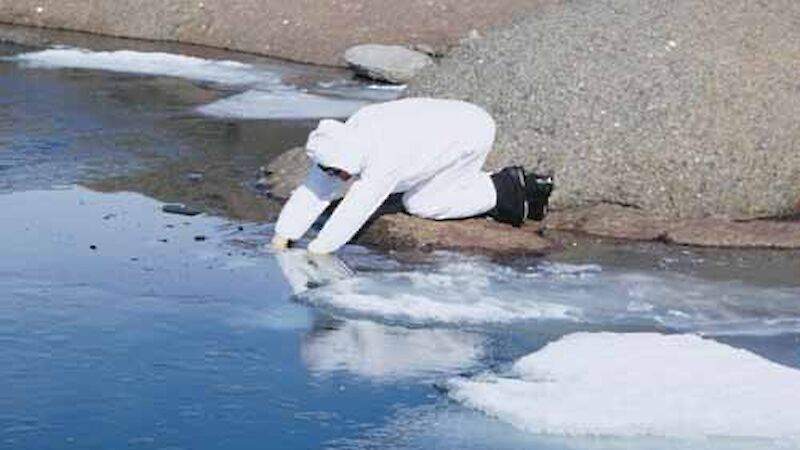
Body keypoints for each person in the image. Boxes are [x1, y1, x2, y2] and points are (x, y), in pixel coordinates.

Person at [270, 98, 553, 254]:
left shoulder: (385, 156)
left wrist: (319, 250)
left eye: (338, 171)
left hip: (469, 130)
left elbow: (356, 209)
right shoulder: (344, 140)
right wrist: (283, 236)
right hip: (434, 131)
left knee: (424, 204)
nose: (335, 176)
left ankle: (510, 187)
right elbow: (316, 187)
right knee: (415, 191)